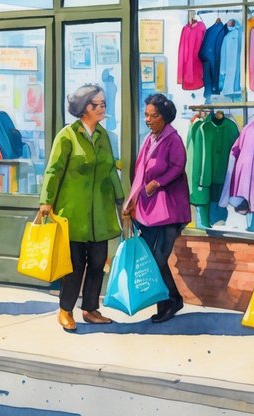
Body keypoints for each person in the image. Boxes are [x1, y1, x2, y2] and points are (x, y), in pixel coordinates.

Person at [38, 83, 124, 331]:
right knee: (73, 266)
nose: (102, 109)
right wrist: (46, 201)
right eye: (98, 104)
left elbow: (110, 171)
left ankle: (90, 309)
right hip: (72, 215)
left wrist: (122, 202)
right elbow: (53, 171)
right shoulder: (67, 136)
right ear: (85, 107)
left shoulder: (103, 136)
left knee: (98, 263)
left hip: (100, 215)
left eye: (104, 104)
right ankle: (65, 310)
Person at [124, 92, 191, 322]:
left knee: (158, 258)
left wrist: (157, 182)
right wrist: (131, 200)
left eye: (153, 116)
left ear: (165, 117)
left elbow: (178, 166)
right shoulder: (149, 139)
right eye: (146, 115)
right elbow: (140, 172)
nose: (148, 120)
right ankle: (168, 301)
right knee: (151, 259)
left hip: (170, 211)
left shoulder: (173, 139)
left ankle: (171, 301)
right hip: (148, 211)